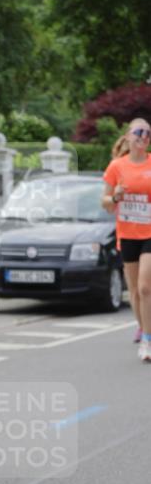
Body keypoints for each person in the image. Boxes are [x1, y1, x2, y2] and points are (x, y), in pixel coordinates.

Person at [102, 118, 151, 362]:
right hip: (128, 232)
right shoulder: (116, 166)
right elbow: (106, 204)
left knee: (145, 287)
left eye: (148, 134)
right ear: (129, 136)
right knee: (133, 291)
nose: (143, 137)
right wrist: (116, 197)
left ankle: (147, 340)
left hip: (150, 233)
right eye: (138, 132)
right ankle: (144, 327)